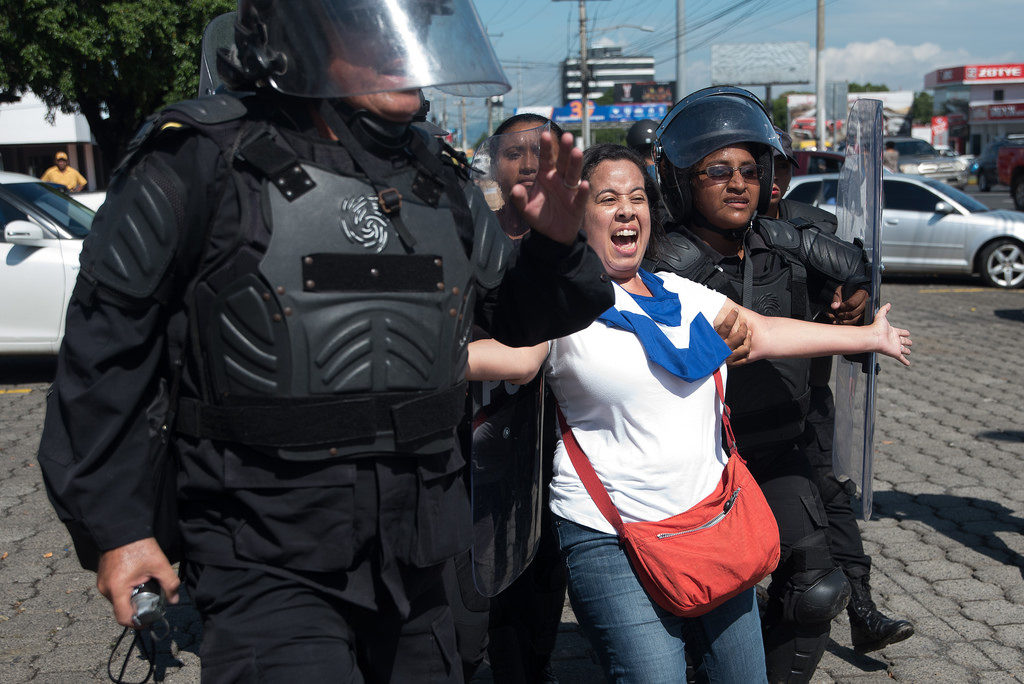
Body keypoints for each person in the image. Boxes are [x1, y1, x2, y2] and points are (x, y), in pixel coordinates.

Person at [36, 2, 616, 681]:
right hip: (263, 553)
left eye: (417, 32)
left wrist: (553, 246)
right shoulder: (198, 161)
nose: (406, 50)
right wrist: (118, 532)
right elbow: (104, 360)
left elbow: (514, 317)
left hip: (420, 555)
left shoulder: (438, 175)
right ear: (299, 39)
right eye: (377, 32)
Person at [468, 143, 912, 683]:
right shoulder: (563, 305)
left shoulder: (679, 292)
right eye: (607, 199)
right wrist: (403, 359)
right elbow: (515, 359)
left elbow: (764, 332)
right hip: (611, 532)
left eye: (637, 197)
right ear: (578, 218)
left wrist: (870, 335)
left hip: (712, 521)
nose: (627, 210)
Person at [645, 86, 877, 683]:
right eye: (716, 170)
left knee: (817, 589)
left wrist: (853, 299)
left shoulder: (782, 243)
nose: (738, 183)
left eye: (750, 169)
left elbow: (855, 272)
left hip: (778, 446)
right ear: (681, 183)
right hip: (698, 463)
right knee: (705, 600)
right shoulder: (660, 267)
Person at [766, 126, 916, 654]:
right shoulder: (713, 231)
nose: (772, 178)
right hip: (733, 404)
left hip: (808, 397)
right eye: (763, 164)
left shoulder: (817, 227)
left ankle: (861, 608)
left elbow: (852, 290)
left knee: (831, 498)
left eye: (782, 166)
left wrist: (852, 302)